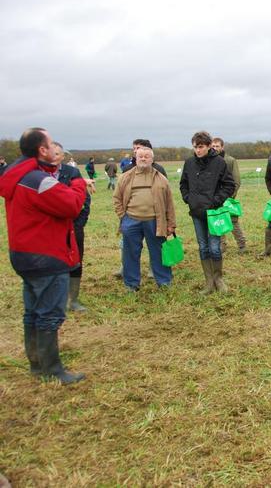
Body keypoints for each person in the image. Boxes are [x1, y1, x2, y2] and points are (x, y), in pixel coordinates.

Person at [0, 128, 94, 384]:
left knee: (33, 311)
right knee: (50, 313)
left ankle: (37, 363)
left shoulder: (17, 176)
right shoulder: (38, 181)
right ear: (42, 149)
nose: (54, 147)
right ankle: (52, 369)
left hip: (23, 254)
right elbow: (72, 205)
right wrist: (76, 182)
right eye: (51, 143)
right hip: (46, 256)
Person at [179, 131, 236, 293]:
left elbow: (229, 185)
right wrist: (188, 198)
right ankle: (208, 281)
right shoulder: (189, 163)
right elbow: (183, 184)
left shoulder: (219, 162)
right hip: (196, 212)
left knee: (214, 247)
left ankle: (219, 279)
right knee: (203, 247)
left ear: (209, 146)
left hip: (214, 212)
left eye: (201, 147)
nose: (198, 150)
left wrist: (215, 201)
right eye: (196, 147)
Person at [113, 147, 176, 291]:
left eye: (147, 156)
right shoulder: (125, 177)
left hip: (155, 222)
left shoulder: (161, 178)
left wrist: (171, 223)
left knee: (158, 252)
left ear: (152, 159)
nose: (143, 159)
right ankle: (131, 284)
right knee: (130, 254)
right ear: (135, 158)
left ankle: (164, 282)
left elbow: (169, 203)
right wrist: (123, 216)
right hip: (131, 221)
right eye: (140, 156)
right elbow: (116, 198)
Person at [53, 142, 92, 312]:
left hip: (73, 226)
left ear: (63, 156)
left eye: (57, 154)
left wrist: (80, 222)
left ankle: (73, 300)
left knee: (75, 261)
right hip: (50, 228)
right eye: (51, 153)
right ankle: (54, 298)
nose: (54, 157)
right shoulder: (38, 175)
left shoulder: (72, 173)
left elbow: (85, 199)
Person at [212, 137, 247, 254]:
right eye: (213, 146)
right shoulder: (210, 161)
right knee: (218, 221)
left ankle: (242, 245)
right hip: (215, 198)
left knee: (233, 221)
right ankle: (222, 246)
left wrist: (230, 197)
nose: (215, 148)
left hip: (228, 197)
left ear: (222, 147)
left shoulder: (230, 160)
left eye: (217, 146)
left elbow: (236, 180)